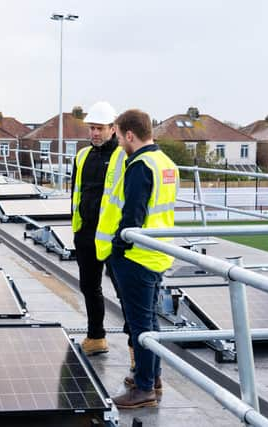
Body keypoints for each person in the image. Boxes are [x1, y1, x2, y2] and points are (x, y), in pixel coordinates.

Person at [103, 109, 178, 409]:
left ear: (130, 135)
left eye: (119, 136)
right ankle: (152, 377)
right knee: (150, 321)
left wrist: (118, 248)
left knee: (140, 326)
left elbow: (132, 215)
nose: (119, 141)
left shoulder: (140, 165)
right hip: (158, 253)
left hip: (136, 255)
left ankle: (145, 388)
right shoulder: (166, 163)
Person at [71, 101, 123, 356]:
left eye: (100, 128)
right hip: (86, 233)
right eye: (92, 128)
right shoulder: (81, 156)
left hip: (113, 237)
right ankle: (96, 337)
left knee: (123, 291)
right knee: (89, 286)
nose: (94, 133)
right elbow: (75, 194)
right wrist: (77, 229)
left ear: (113, 128)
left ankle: (136, 347)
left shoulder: (123, 156)